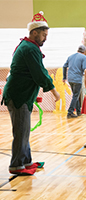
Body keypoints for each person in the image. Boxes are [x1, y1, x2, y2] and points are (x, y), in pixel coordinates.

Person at [1, 12, 60, 175]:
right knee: (21, 131)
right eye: (43, 34)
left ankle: (25, 161)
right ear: (34, 32)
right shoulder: (29, 48)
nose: (45, 38)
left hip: (22, 96)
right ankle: (16, 165)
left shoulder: (28, 46)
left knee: (24, 130)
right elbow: (39, 73)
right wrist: (54, 92)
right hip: (18, 97)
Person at [63, 45, 86, 118]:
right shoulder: (83, 57)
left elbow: (64, 66)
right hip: (77, 79)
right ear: (84, 51)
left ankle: (78, 111)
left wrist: (64, 77)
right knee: (76, 95)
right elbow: (84, 68)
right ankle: (70, 112)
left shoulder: (70, 56)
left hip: (70, 79)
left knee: (75, 95)